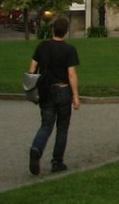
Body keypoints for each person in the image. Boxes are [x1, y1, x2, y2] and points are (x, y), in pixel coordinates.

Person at [28, 16, 81, 175]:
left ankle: (37, 148)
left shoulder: (42, 47)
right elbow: (71, 75)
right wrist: (76, 96)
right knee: (62, 128)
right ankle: (57, 161)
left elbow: (32, 70)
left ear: (53, 29)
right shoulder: (69, 49)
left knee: (46, 125)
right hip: (63, 90)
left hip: (46, 90)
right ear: (65, 32)